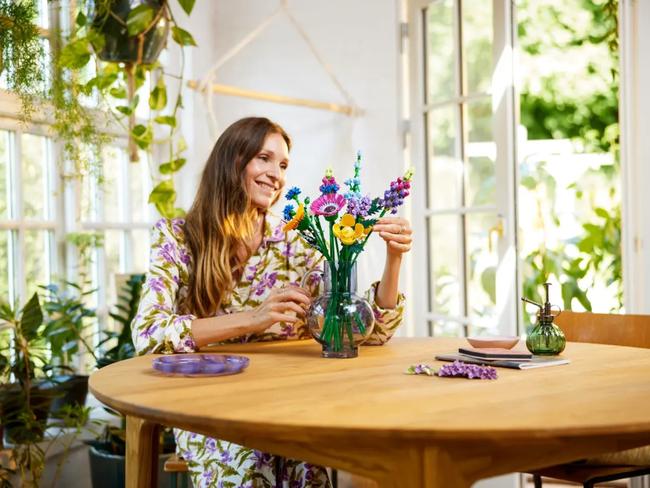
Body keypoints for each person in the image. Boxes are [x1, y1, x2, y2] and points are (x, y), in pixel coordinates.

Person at [132, 117, 412, 488]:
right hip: (207, 409)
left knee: (306, 467)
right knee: (250, 465)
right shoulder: (177, 238)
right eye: (264, 158)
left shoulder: (295, 240)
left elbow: (358, 332)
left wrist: (394, 259)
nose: (276, 174)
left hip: (285, 404)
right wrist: (253, 319)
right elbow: (149, 333)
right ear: (232, 162)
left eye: (282, 165)